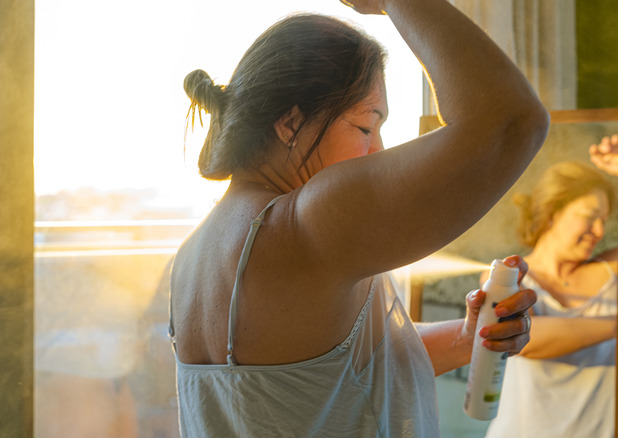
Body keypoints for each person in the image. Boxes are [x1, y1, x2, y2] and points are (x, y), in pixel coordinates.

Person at [168, 0, 549, 436]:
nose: (380, 151)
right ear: (290, 123)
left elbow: (324, 378)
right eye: (367, 127)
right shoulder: (307, 223)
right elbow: (510, 123)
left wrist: (466, 340)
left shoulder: (192, 254)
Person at [485, 137, 618, 438]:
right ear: (552, 213)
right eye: (589, 218)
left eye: (604, 221)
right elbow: (529, 339)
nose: (599, 232)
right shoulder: (508, 274)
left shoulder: (613, 272)